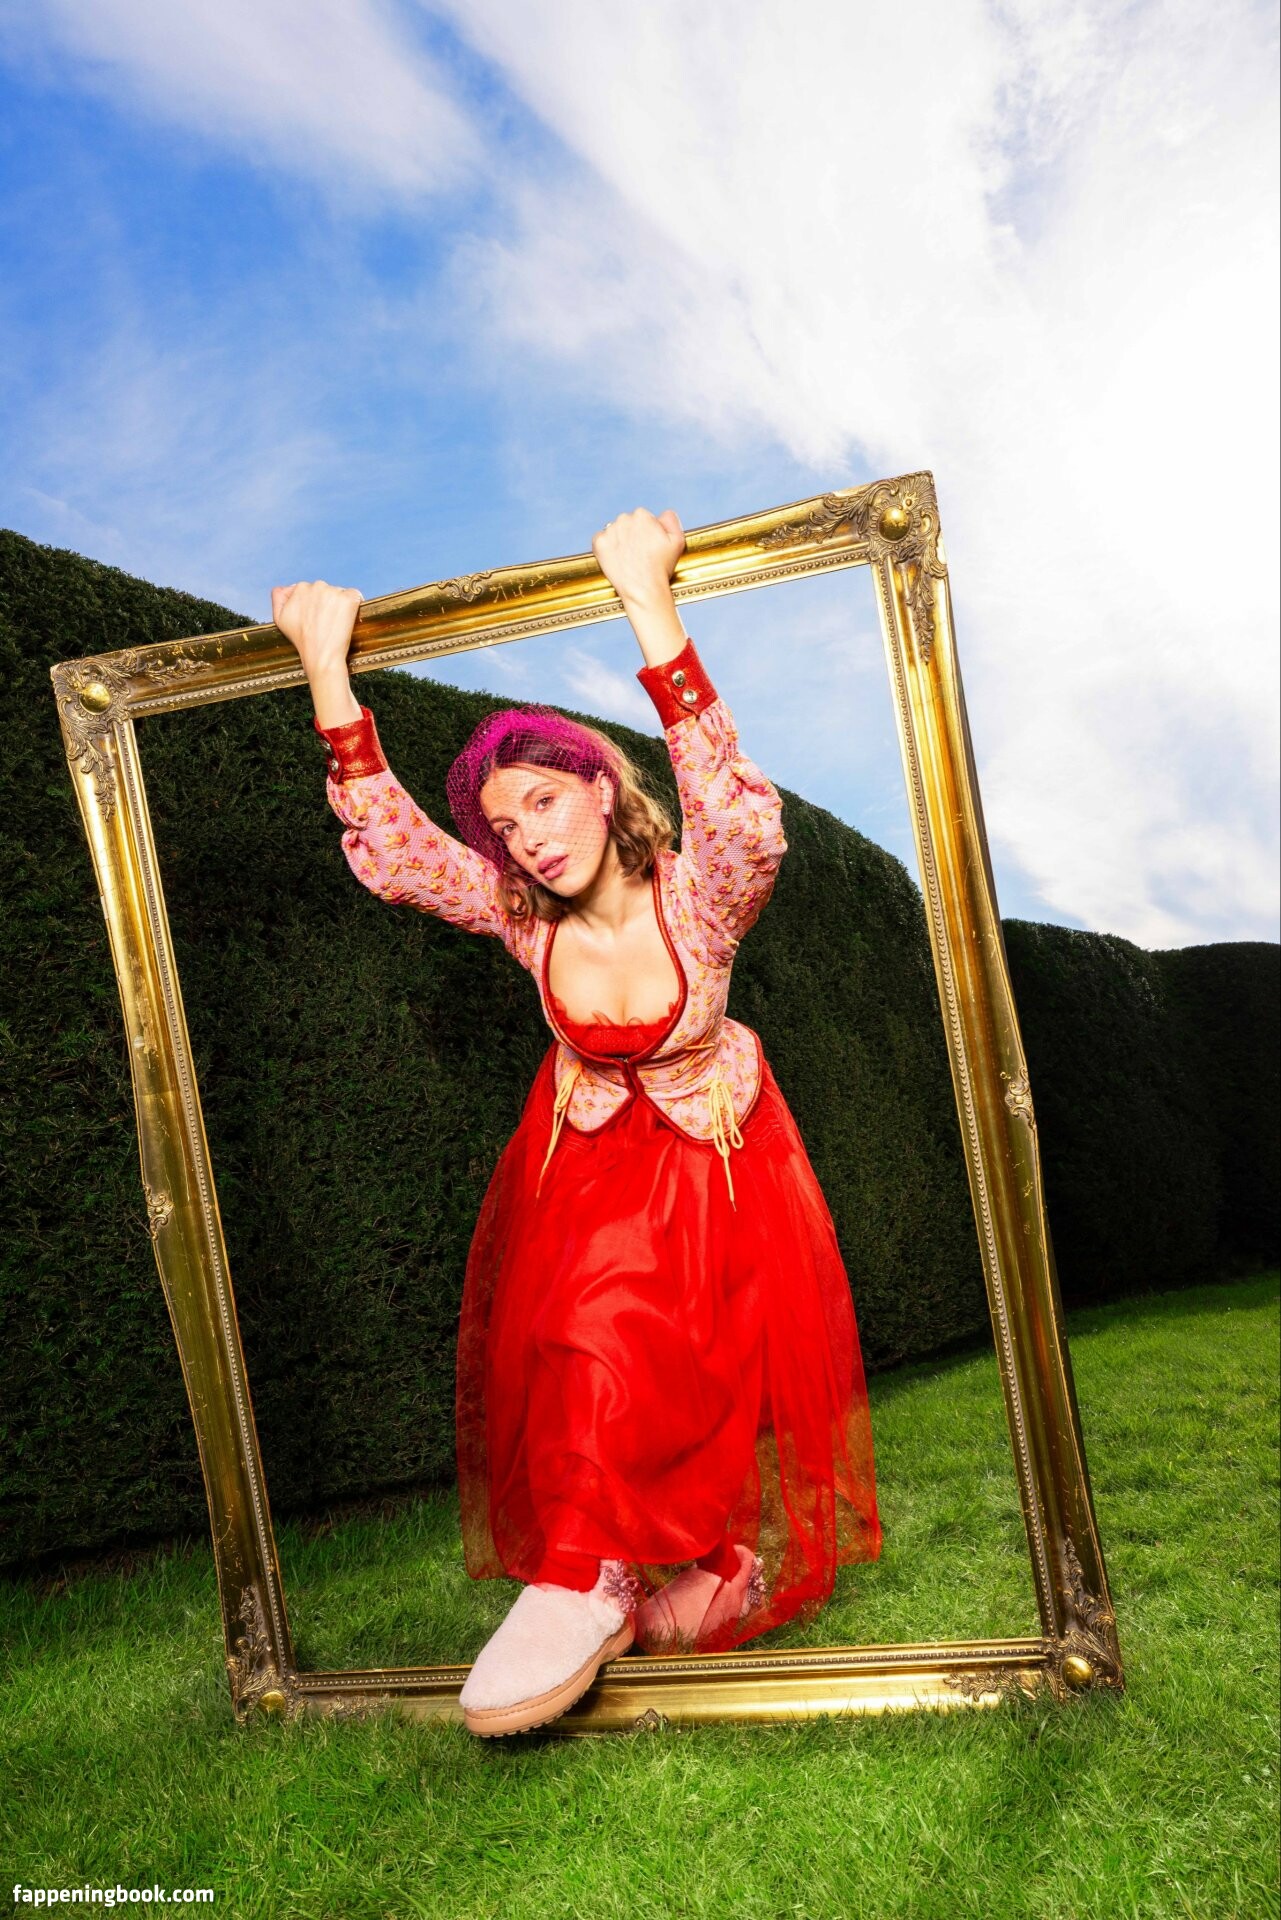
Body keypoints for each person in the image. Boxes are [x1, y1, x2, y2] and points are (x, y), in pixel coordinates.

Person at [274, 507, 881, 1739]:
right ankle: (586, 1578)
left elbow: (741, 819)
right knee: (580, 1343)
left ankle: (698, 1567)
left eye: (546, 802)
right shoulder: (524, 920)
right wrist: (329, 673)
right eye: (508, 826)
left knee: (684, 1387)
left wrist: (649, 602)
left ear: (603, 790)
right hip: (587, 1170)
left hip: (716, 1164)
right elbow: (402, 854)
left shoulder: (698, 902)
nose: (529, 840)